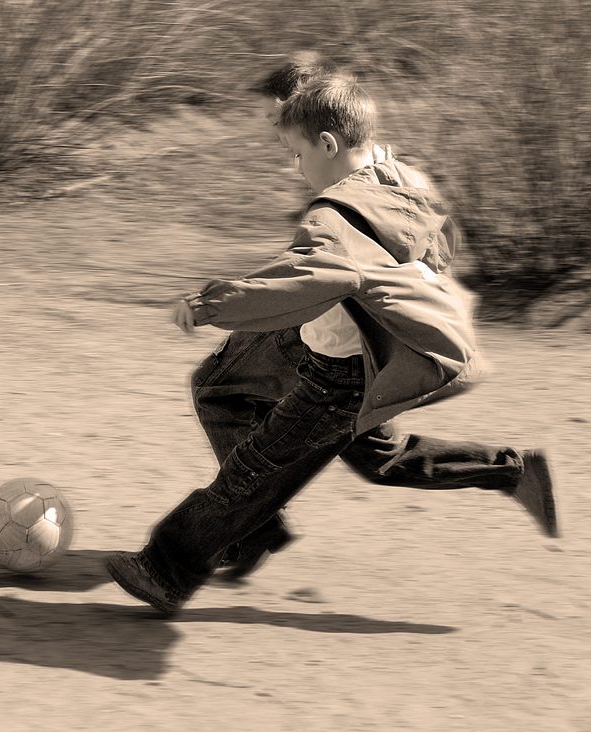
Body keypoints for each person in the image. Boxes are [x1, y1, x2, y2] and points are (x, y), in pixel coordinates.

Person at [107, 73, 558, 616]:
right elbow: (442, 240)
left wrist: (210, 305)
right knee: (223, 389)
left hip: (338, 374)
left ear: (327, 145)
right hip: (336, 345)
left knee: (258, 469)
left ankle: (168, 567)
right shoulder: (404, 177)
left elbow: (307, 279)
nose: (295, 168)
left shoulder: (331, 216)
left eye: (297, 155)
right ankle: (510, 471)